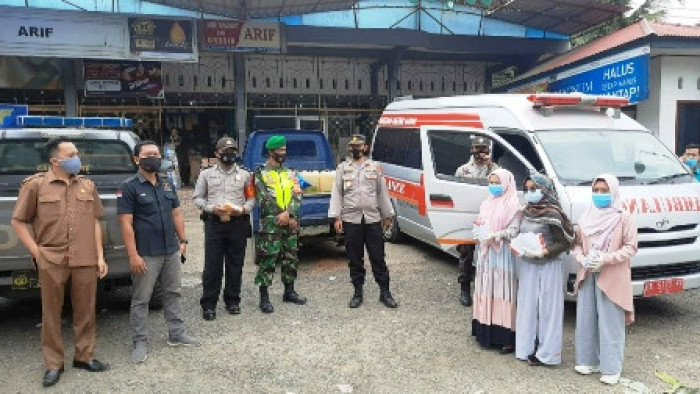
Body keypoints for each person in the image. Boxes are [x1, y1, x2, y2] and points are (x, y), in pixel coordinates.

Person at [11, 137, 109, 387]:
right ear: (55, 160)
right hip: (51, 258)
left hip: (85, 257)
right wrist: (36, 252)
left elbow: (97, 221)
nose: (78, 158)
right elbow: (18, 221)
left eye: (77, 153)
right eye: (72, 154)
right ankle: (54, 363)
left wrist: (99, 256)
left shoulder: (87, 185)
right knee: (51, 312)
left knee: (86, 310)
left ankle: (84, 356)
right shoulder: (35, 186)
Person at [117, 140, 200, 364]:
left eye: (156, 153)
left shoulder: (166, 184)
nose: (153, 157)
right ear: (137, 159)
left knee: (173, 293)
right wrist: (133, 255)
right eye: (148, 154)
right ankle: (140, 341)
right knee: (141, 299)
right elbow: (125, 224)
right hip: (146, 253)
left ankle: (176, 333)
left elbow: (176, 214)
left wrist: (183, 239)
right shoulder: (129, 187)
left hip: (171, 250)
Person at [572, 174, 638, 385]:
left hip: (612, 275)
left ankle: (611, 367)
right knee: (586, 317)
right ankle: (588, 360)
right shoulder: (586, 217)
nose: (600, 195)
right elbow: (578, 244)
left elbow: (630, 247)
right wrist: (582, 258)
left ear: (614, 192)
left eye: (605, 191)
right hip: (588, 272)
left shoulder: (623, 217)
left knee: (610, 321)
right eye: (596, 190)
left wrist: (605, 259)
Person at [329, 134, 397, 309]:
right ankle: (357, 292)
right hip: (351, 220)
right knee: (354, 258)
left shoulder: (374, 168)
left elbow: (382, 193)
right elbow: (337, 193)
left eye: (358, 146)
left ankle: (385, 292)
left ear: (365, 147)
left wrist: (387, 215)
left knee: (378, 257)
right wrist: (337, 217)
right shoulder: (343, 168)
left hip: (373, 219)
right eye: (352, 146)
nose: (355, 149)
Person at [515, 174, 575, 366]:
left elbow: (566, 242)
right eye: (527, 189)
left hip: (549, 265)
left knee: (549, 309)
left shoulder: (553, 213)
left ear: (545, 189)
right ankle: (525, 349)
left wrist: (544, 252)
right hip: (527, 264)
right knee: (526, 307)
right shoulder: (526, 210)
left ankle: (547, 354)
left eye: (534, 188)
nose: (529, 193)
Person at [194, 137, 255, 320]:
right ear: (217, 154)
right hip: (214, 223)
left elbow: (252, 199)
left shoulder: (246, 175)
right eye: (226, 152)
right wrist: (212, 208)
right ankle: (209, 304)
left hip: (237, 223)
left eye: (233, 152)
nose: (229, 155)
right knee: (212, 265)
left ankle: (232, 301)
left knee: (235, 264)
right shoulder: (206, 174)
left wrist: (243, 209)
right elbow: (197, 199)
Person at [254, 135, 307, 313]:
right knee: (268, 259)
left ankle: (289, 292)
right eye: (279, 150)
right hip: (271, 223)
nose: (282, 153)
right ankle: (264, 297)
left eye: (284, 150)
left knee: (291, 258)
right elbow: (263, 198)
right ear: (270, 152)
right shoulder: (260, 173)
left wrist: (290, 215)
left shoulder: (290, 172)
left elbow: (297, 194)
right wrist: (281, 215)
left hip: (290, 222)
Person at [471, 168, 520, 354]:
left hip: (503, 255)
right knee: (486, 289)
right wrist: (477, 232)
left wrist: (496, 235)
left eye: (497, 182)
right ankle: (485, 331)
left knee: (502, 291)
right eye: (490, 182)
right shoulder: (486, 203)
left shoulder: (513, 204)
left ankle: (504, 336)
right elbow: (479, 222)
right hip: (486, 254)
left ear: (507, 183)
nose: (493, 186)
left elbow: (514, 230)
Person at [454, 136, 500, 307]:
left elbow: (503, 184)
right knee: (466, 254)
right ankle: (465, 289)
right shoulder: (463, 170)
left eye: (484, 149)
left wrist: (490, 165)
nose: (480, 152)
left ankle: (486, 291)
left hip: (489, 219)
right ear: (471, 150)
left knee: (488, 254)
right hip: (468, 217)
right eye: (477, 148)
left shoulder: (495, 169)